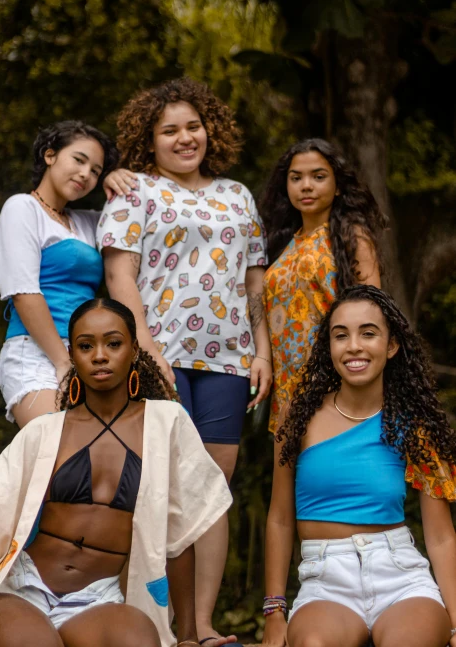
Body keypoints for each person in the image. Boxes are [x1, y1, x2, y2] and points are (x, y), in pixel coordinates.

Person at [0, 298, 232, 647]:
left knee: (138, 640)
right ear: (73, 355)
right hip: (23, 594)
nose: (100, 355)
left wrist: (189, 639)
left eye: (114, 343)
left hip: (97, 600)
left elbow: (179, 539)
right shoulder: (42, 433)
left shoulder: (167, 423)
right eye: (86, 346)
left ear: (134, 350)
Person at [98, 77, 272, 646]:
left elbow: (253, 280)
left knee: (214, 490)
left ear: (209, 129)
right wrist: (141, 343)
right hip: (161, 356)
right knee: (166, 489)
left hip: (227, 360)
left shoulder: (238, 195)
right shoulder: (134, 192)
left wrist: (262, 349)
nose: (184, 137)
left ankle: (203, 625)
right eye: (169, 129)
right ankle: (161, 625)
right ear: (150, 139)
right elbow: (120, 274)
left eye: (192, 126)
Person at [262, 284, 456, 647]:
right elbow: (279, 517)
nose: (353, 346)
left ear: (392, 345)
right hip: (325, 583)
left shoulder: (414, 423)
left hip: (399, 577)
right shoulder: (298, 416)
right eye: (341, 335)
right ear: (329, 347)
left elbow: (441, 535)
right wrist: (274, 611)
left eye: (368, 333)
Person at [0, 121, 118, 427]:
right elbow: (24, 293)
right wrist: (63, 363)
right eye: (79, 160)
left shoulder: (88, 222)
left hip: (88, 354)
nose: (86, 174)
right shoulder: (22, 208)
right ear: (50, 155)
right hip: (36, 351)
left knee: (98, 462)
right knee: (57, 449)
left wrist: (117, 180)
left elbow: (136, 221)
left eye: (96, 170)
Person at [259, 138, 386, 432]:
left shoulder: (352, 237)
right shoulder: (281, 243)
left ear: (338, 185)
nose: (306, 185)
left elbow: (373, 313)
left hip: (336, 375)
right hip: (288, 381)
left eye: (318, 176)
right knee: (297, 472)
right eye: (296, 178)